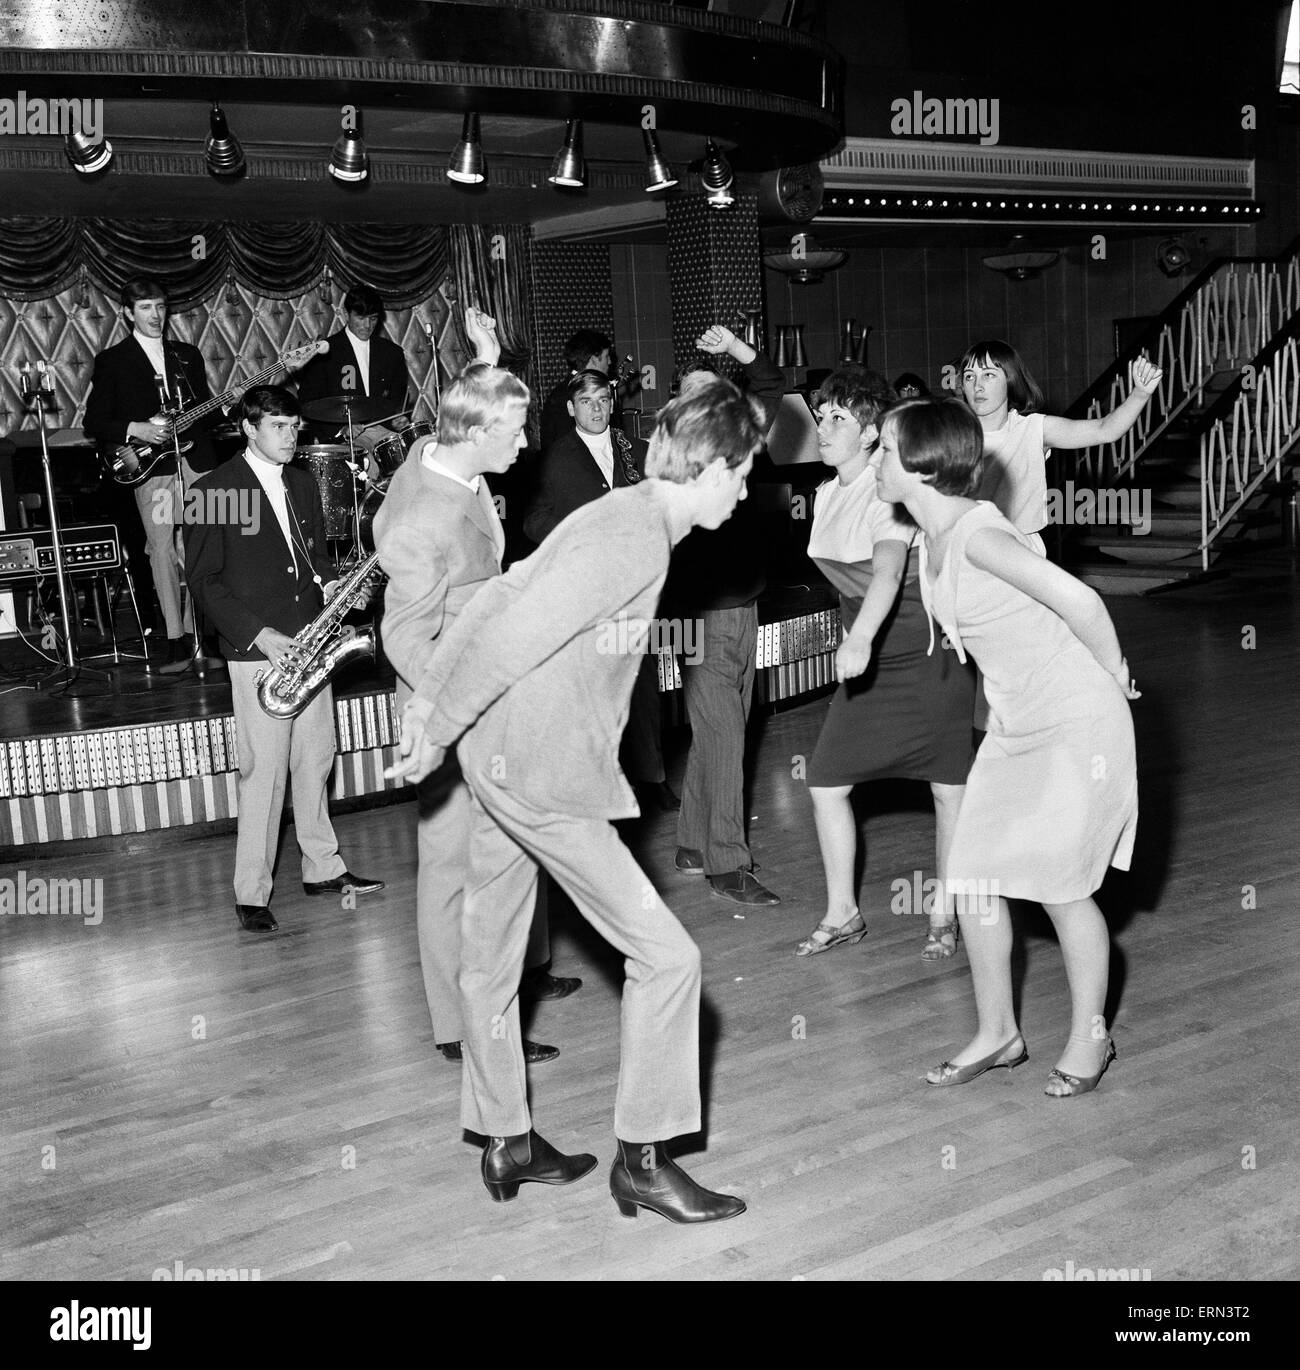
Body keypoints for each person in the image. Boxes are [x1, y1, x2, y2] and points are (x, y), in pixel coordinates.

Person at [387, 371, 764, 1223]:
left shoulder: (622, 512)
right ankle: (643, 1157)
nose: (744, 492)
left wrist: (432, 708)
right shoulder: (634, 538)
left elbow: (503, 595)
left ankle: (505, 1139)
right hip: (538, 771)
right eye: (740, 473)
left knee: (489, 955)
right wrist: (438, 722)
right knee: (669, 958)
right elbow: (514, 627)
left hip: (503, 757)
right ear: (710, 467)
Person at [873, 398, 1139, 1098]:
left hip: (1075, 716)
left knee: (1061, 886)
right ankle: (999, 1033)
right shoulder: (930, 536)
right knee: (972, 875)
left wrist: (1114, 677)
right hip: (1018, 722)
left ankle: (1091, 1036)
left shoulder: (978, 536)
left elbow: (1081, 601)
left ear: (919, 465)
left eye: (883, 449)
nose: (876, 461)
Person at [373, 309, 574, 1066]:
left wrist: (488, 362)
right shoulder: (425, 519)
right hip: (448, 705)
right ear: (479, 433)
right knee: (451, 871)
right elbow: (403, 638)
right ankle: (458, 1026)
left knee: (503, 848)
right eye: (515, 432)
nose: (525, 445)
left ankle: (510, 984)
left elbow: (454, 418)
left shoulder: (440, 453)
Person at [185, 385, 384, 932]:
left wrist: (339, 586)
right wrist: (260, 635)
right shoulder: (214, 490)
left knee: (317, 757)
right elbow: (203, 582)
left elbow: (313, 559)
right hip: (260, 652)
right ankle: (251, 893)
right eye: (279, 427)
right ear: (249, 429)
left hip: (310, 642)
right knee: (264, 772)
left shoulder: (300, 481)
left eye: (295, 426)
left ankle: (323, 867)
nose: (291, 437)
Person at [796, 368, 974, 961]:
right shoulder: (825, 492)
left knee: (948, 790)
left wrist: (860, 639)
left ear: (873, 435)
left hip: (921, 651)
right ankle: (842, 912)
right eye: (821, 414)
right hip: (868, 653)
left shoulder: (886, 489)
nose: (822, 425)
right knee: (824, 781)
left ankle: (945, 915)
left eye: (838, 418)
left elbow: (890, 571)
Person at [661, 323, 785, 905]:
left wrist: (735, 350)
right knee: (726, 733)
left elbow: (773, 387)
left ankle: (692, 843)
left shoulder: (741, 450)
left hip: (743, 607)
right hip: (701, 617)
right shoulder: (677, 462)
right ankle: (727, 863)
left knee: (720, 730)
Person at [523, 368, 674, 811]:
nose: (597, 409)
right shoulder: (553, 457)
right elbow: (533, 521)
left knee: (643, 685)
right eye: (587, 402)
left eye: (604, 400)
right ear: (571, 409)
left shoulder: (636, 450)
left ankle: (652, 780)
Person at [83, 276, 221, 670]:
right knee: (161, 548)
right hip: (152, 465)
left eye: (160, 306)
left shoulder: (187, 355)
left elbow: (203, 408)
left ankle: (203, 636)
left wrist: (227, 409)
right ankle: (175, 639)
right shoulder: (113, 360)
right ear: (128, 312)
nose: (155, 315)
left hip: (195, 462)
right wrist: (135, 429)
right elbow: (95, 422)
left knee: (199, 546)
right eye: (145, 308)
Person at [960, 340, 1161, 553]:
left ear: (1010, 380)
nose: (977, 385)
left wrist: (1140, 394)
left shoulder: (1033, 428)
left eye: (988, 375)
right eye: (969, 376)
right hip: (969, 546)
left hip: (1020, 549)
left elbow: (1106, 429)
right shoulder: (952, 434)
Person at [295, 284, 412, 443]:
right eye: (361, 318)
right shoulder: (323, 352)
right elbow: (309, 402)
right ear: (345, 314)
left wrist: (397, 419)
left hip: (385, 435)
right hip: (342, 440)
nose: (367, 326)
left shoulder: (392, 353)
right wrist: (340, 429)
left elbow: (396, 399)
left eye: (373, 318)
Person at [538, 328, 614, 450]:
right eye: (606, 356)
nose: (609, 362)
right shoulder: (567, 395)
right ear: (594, 360)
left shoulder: (565, 390)